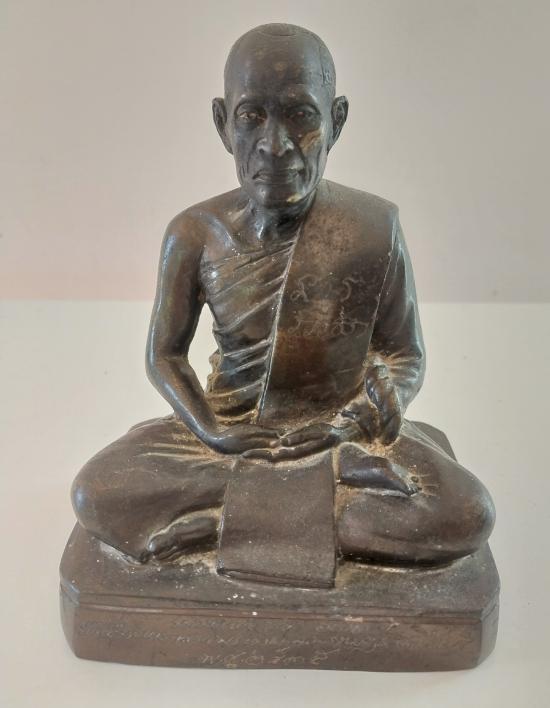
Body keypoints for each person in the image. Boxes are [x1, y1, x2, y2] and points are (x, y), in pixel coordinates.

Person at [72, 24, 495, 576]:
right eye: (252, 116)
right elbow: (164, 354)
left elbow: (404, 354)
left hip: (337, 434)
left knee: (466, 513)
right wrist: (213, 430)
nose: (275, 145)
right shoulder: (195, 233)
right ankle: (313, 508)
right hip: (233, 438)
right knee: (97, 491)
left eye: (301, 115)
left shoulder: (373, 228)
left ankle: (221, 525)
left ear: (336, 121)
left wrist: (366, 412)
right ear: (223, 124)